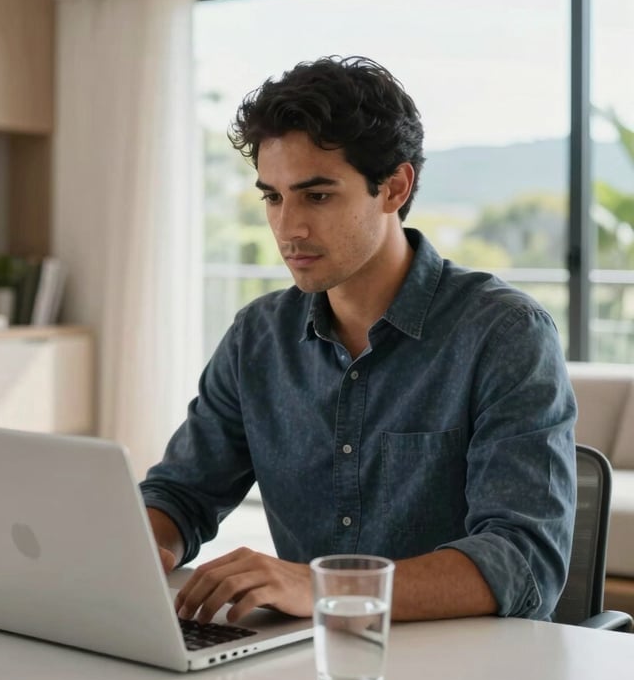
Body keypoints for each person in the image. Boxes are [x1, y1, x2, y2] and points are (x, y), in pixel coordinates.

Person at [140, 55, 577, 626]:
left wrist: (320, 587)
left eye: (317, 196)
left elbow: (522, 562)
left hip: (467, 670)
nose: (288, 228)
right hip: (309, 661)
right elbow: (181, 493)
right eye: (273, 197)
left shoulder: (504, 333)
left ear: (394, 187)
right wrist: (138, 550)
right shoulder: (258, 337)